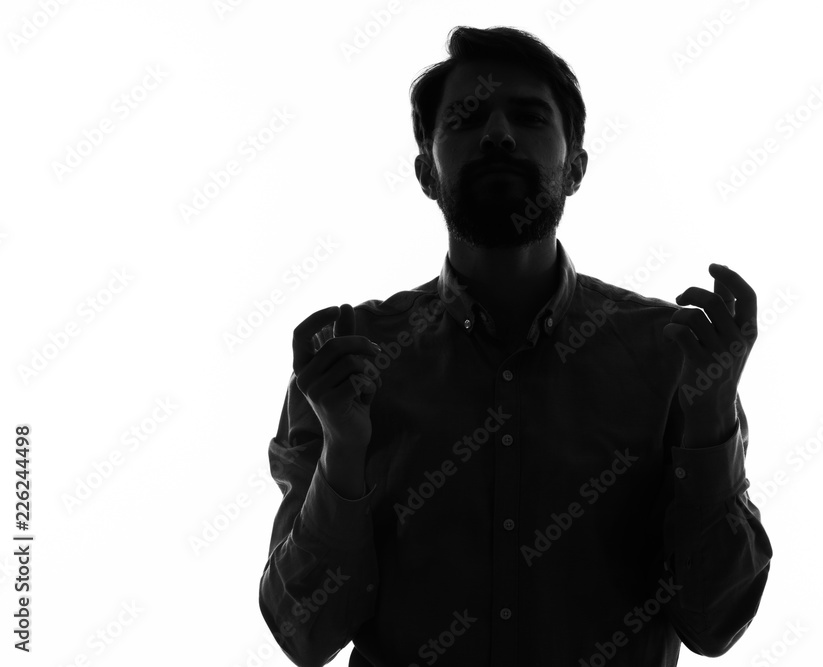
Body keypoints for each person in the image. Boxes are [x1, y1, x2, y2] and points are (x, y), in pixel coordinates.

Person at [258, 25, 771, 667]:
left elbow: (716, 620)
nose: (497, 134)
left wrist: (712, 416)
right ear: (425, 172)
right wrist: (343, 450)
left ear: (576, 167)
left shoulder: (674, 356)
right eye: (466, 119)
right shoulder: (345, 362)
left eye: (528, 117)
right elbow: (305, 633)